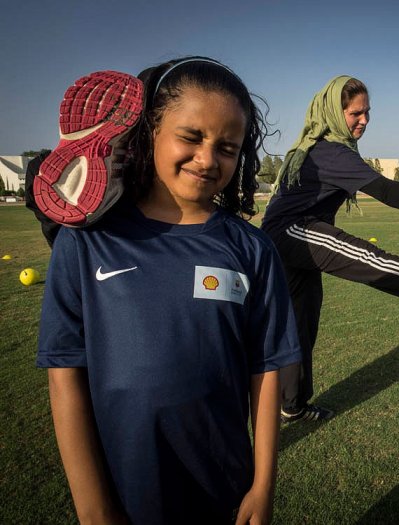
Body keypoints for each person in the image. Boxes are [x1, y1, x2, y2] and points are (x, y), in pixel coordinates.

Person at [36, 57, 302, 525]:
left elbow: (266, 370)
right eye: (191, 137)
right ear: (149, 132)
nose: (207, 158)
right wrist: (94, 509)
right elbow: (65, 375)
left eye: (227, 147)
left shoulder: (252, 248)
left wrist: (263, 487)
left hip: (224, 484)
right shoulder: (85, 240)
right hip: (121, 490)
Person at [261, 75, 399, 423]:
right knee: (370, 260)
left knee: (300, 323)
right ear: (335, 114)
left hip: (283, 238)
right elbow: (386, 190)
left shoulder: (321, 146)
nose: (364, 120)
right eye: (356, 114)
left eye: (367, 112)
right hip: (293, 232)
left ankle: (292, 404)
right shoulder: (329, 151)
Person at [23, 149, 61, 247]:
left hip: (52, 226)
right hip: (54, 226)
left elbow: (31, 199)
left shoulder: (37, 163)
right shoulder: (37, 163)